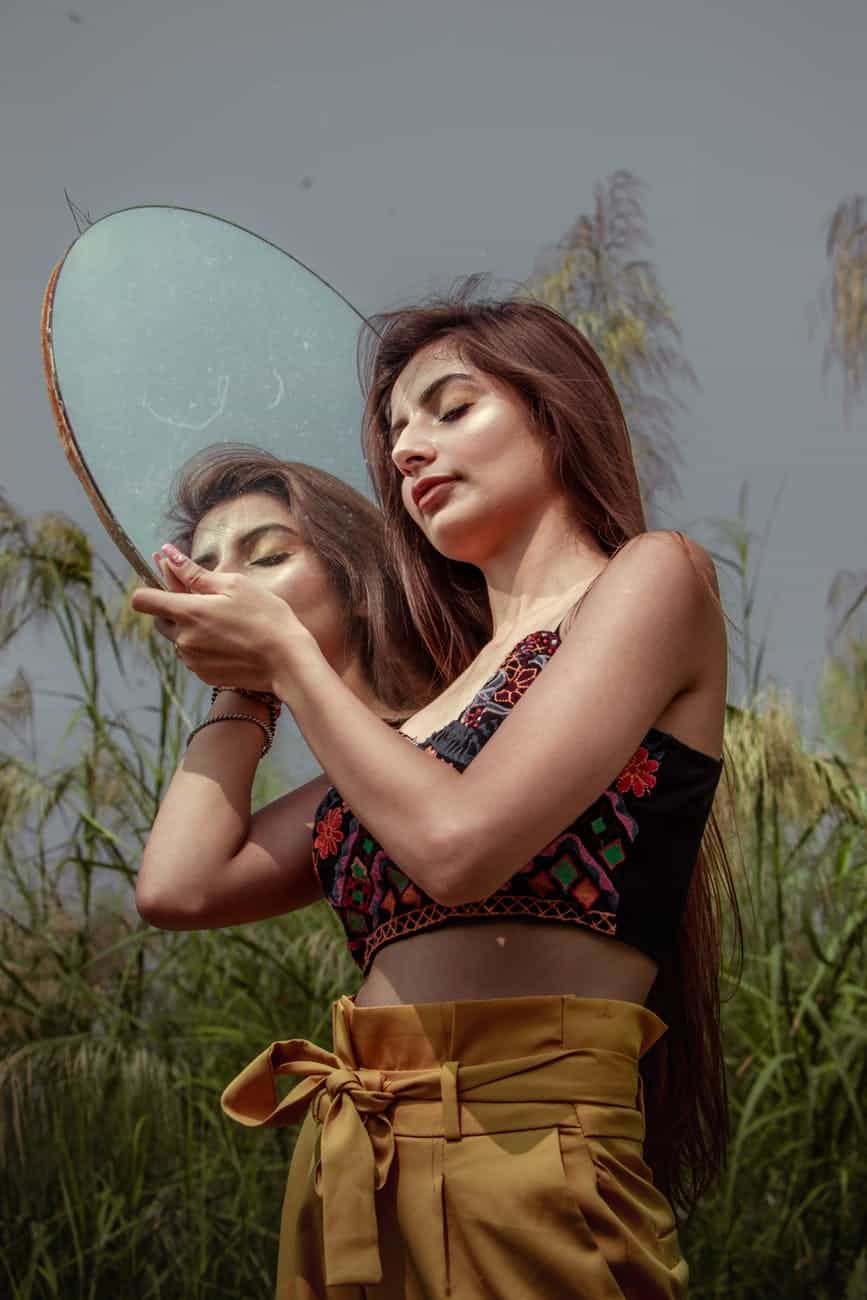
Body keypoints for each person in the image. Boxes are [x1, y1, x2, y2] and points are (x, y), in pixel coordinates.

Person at [133, 293, 739, 1300]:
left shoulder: (652, 579)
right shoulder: (423, 721)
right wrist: (246, 686)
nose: (410, 450)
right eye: (396, 435)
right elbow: (181, 884)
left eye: (450, 408)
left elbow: (460, 843)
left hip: (527, 1158)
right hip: (353, 1171)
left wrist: (288, 655)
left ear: (554, 415)